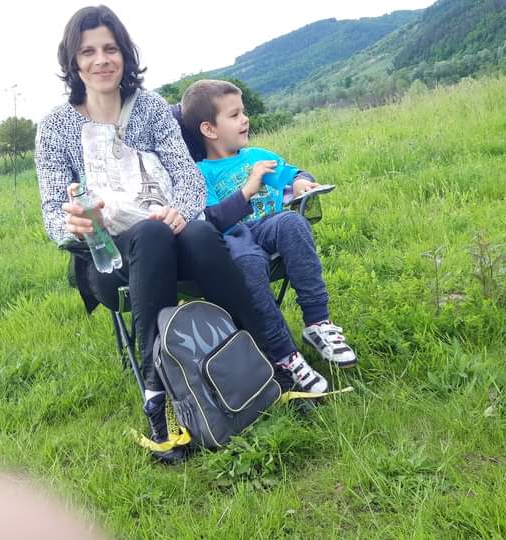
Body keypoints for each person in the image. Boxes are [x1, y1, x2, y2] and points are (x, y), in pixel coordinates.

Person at [35, 6, 288, 463]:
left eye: (110, 48)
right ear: (73, 61)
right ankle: (159, 399)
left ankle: (268, 363)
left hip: (174, 236)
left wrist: (180, 211)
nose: (101, 60)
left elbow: (187, 177)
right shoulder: (56, 127)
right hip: (110, 258)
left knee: (200, 235)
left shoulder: (150, 109)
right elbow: (53, 210)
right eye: (88, 52)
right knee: (150, 237)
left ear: (125, 54)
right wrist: (72, 222)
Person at [180, 80, 358, 391]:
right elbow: (211, 220)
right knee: (247, 264)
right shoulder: (199, 174)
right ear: (209, 129)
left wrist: (300, 183)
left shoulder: (257, 155)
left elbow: (295, 173)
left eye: (243, 111)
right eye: (234, 115)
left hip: (269, 227)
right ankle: (284, 356)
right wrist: (249, 188)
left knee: (291, 222)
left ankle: (317, 323)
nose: (245, 119)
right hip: (234, 241)